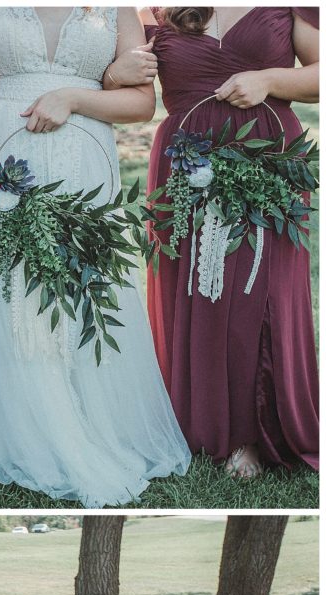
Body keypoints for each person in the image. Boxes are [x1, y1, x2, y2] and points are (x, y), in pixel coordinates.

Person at [0, 7, 190, 508]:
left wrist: (71, 97)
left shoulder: (117, 9)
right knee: (11, 289)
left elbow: (140, 104)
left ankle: (95, 424)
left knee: (82, 286)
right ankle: (25, 428)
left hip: (82, 151)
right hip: (3, 150)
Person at [111, 7, 320, 477]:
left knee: (258, 292)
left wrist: (269, 79)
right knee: (200, 293)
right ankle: (202, 425)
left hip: (267, 154)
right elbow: (128, 93)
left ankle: (256, 432)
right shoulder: (155, 11)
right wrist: (114, 72)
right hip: (186, 163)